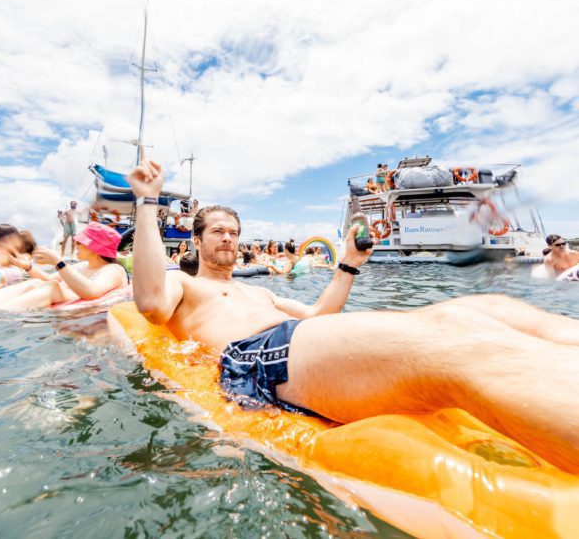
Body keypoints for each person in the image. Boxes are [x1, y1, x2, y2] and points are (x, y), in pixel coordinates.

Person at [125, 157, 579, 473]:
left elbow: (320, 315)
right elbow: (147, 301)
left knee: (487, 309)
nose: (228, 238)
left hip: (294, 342)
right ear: (197, 242)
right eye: (218, 231)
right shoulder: (183, 285)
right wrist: (147, 202)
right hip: (255, 359)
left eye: (235, 232)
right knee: (454, 345)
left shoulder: (255, 290)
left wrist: (348, 264)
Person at [0, 222, 128, 314]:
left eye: (80, 243)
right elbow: (50, 279)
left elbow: (91, 291)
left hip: (77, 304)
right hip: (62, 295)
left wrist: (59, 263)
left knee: (51, 287)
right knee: (37, 284)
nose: (76, 245)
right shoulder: (82, 265)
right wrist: (28, 267)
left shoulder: (113, 270)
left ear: (95, 248)